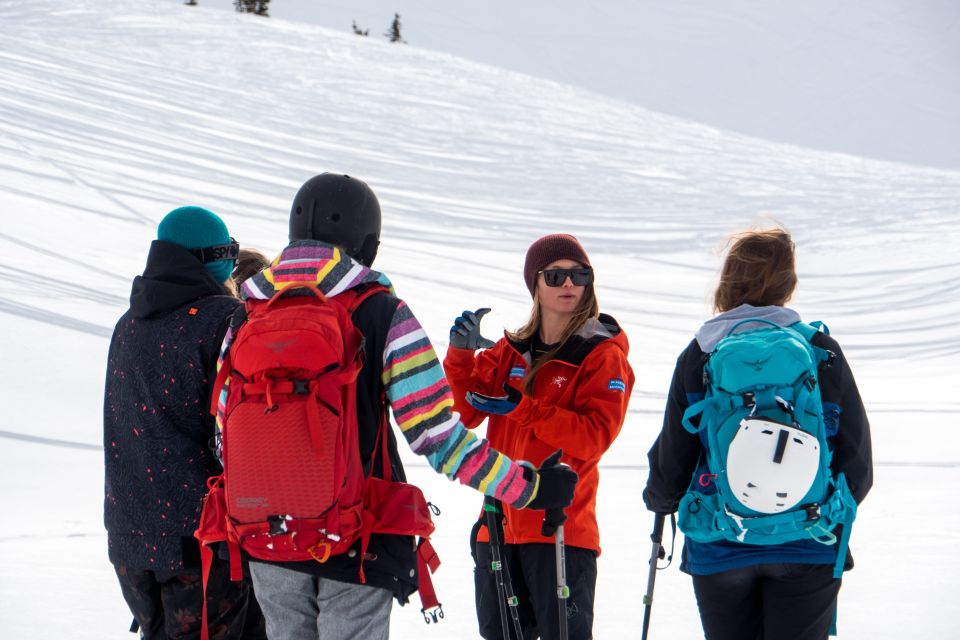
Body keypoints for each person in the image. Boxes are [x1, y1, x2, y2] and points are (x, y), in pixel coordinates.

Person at [221, 173, 578, 640]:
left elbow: (224, 427)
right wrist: (528, 488)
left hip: (264, 534)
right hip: (356, 535)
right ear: (366, 243)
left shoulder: (245, 314)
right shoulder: (381, 311)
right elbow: (439, 438)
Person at [642, 228, 873, 640]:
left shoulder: (702, 353)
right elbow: (857, 463)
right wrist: (823, 511)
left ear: (728, 280)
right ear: (789, 283)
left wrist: (660, 499)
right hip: (808, 538)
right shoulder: (823, 351)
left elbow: (672, 462)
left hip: (720, 542)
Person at [443, 233, 635, 640]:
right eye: (555, 276)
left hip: (560, 532)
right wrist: (460, 357)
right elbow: (465, 413)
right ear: (535, 284)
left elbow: (594, 436)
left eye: (579, 275)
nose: (569, 285)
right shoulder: (509, 352)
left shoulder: (602, 355)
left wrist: (522, 408)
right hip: (496, 528)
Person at [103, 206, 265, 639]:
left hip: (129, 538)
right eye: (228, 250)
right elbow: (237, 431)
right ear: (212, 257)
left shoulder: (128, 323)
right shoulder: (225, 321)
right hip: (199, 539)